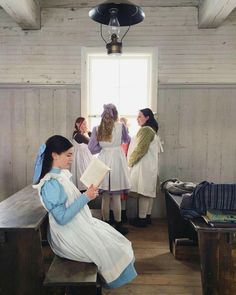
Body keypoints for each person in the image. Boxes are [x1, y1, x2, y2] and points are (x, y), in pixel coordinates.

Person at [32, 135, 137, 289]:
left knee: (113, 240)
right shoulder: (51, 184)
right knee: (106, 248)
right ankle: (97, 285)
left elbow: (70, 202)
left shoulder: (59, 177)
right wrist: (85, 197)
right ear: (54, 155)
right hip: (66, 235)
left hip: (75, 226)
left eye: (71, 155)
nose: (71, 159)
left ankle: (100, 284)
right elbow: (62, 218)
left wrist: (88, 195)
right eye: (68, 155)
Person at [88, 104, 130, 235]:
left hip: (104, 159)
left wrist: (104, 148)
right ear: (116, 115)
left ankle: (105, 223)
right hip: (118, 159)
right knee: (116, 196)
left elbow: (91, 148)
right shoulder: (121, 126)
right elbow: (126, 139)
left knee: (105, 196)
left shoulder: (96, 128)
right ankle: (118, 224)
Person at [127, 108, 163, 227]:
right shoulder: (152, 131)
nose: (137, 119)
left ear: (147, 117)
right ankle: (147, 217)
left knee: (144, 192)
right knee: (148, 191)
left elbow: (141, 149)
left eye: (140, 116)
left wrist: (130, 162)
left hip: (144, 166)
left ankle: (141, 219)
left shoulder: (146, 130)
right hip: (150, 166)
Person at [71, 117, 92, 193]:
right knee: (82, 175)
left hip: (87, 156)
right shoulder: (77, 135)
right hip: (80, 158)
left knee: (89, 175)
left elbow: (96, 138)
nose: (85, 125)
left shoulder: (87, 132)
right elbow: (90, 142)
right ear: (77, 124)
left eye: (86, 123)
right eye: (83, 124)